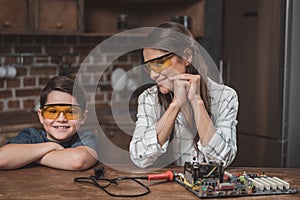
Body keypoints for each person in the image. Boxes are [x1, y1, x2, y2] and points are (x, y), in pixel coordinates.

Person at [129, 22, 239, 168]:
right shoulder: (148, 98)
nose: (153, 75)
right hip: (165, 188)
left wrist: (197, 101)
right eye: (149, 66)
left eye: (160, 62)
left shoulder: (225, 96)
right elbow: (139, 157)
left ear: (186, 56)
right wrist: (175, 105)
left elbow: (222, 159)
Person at [0, 76, 98, 170]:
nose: (61, 119)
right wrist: (52, 146)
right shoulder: (31, 136)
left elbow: (78, 161)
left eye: (70, 112)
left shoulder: (85, 138)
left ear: (83, 117)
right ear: (41, 116)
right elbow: (2, 158)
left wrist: (28, 157)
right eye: (52, 112)